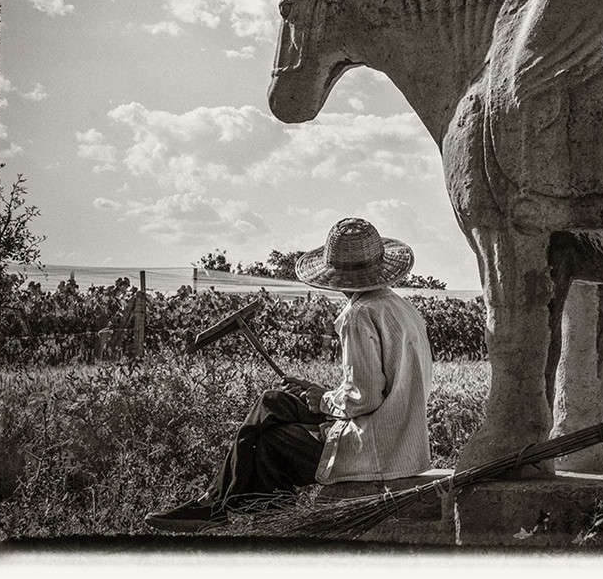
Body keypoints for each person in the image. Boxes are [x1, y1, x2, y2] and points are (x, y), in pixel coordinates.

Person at [145, 217, 433, 532]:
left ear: (334, 274)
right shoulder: (401, 308)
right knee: (272, 402)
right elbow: (378, 388)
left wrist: (323, 400)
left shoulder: (358, 315)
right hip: (405, 445)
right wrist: (320, 393)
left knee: (269, 443)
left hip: (376, 450)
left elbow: (362, 399)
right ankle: (222, 506)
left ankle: (224, 509)